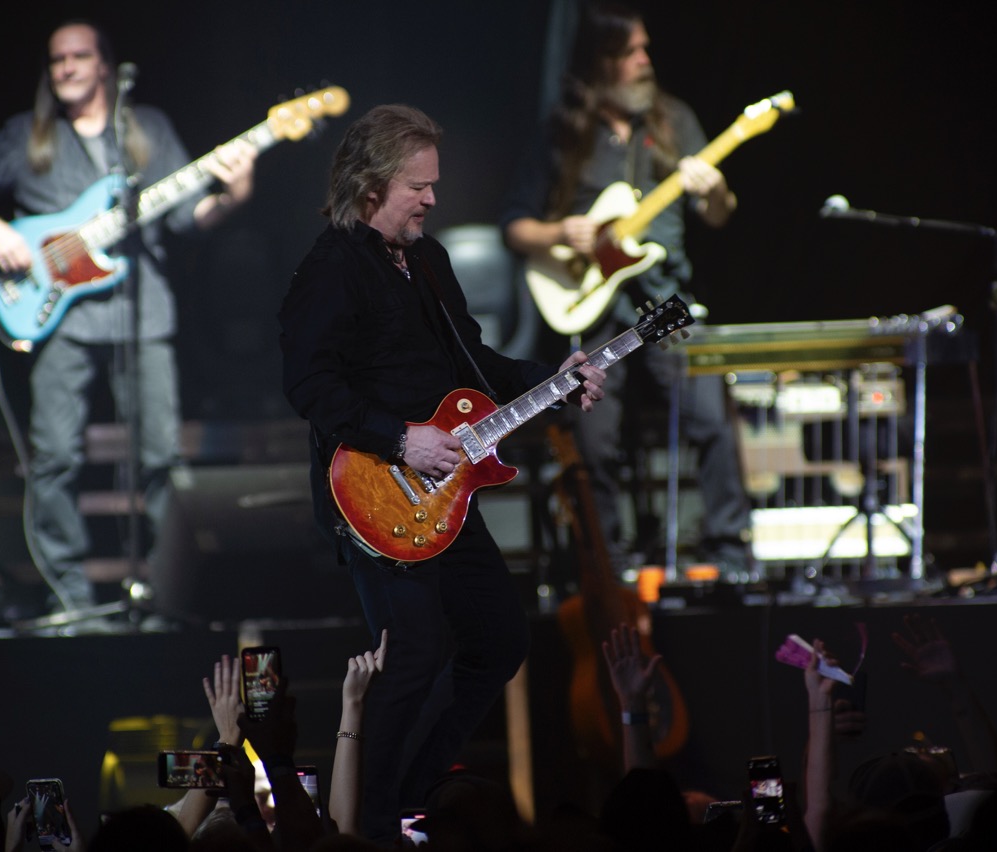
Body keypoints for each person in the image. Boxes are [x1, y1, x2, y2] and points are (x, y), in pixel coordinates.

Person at [279, 103, 606, 843]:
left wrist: (553, 379)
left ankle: (406, 795)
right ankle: (365, 825)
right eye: (418, 186)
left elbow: (474, 365)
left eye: (433, 183)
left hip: (446, 494)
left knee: (499, 640)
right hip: (373, 492)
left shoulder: (428, 260)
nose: (432, 198)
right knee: (417, 652)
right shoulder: (330, 268)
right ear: (370, 187)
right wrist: (402, 440)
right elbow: (309, 386)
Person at [0, 20, 257, 620]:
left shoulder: (147, 127)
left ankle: (170, 596)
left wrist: (233, 196)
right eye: (56, 59)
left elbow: (187, 217)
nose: (66, 68)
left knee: (161, 457)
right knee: (55, 456)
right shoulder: (25, 135)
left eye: (79, 56)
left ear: (105, 65)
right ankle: (71, 599)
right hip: (56, 316)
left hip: (143, 313)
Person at [501, 2, 751, 576]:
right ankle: (604, 566)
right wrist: (560, 232)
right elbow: (513, 225)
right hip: (593, 305)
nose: (644, 60)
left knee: (713, 418)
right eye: (628, 51)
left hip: (664, 298)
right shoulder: (564, 131)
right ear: (599, 62)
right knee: (594, 440)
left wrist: (713, 191)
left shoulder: (674, 120)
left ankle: (730, 554)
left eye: (644, 48)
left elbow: (719, 214)